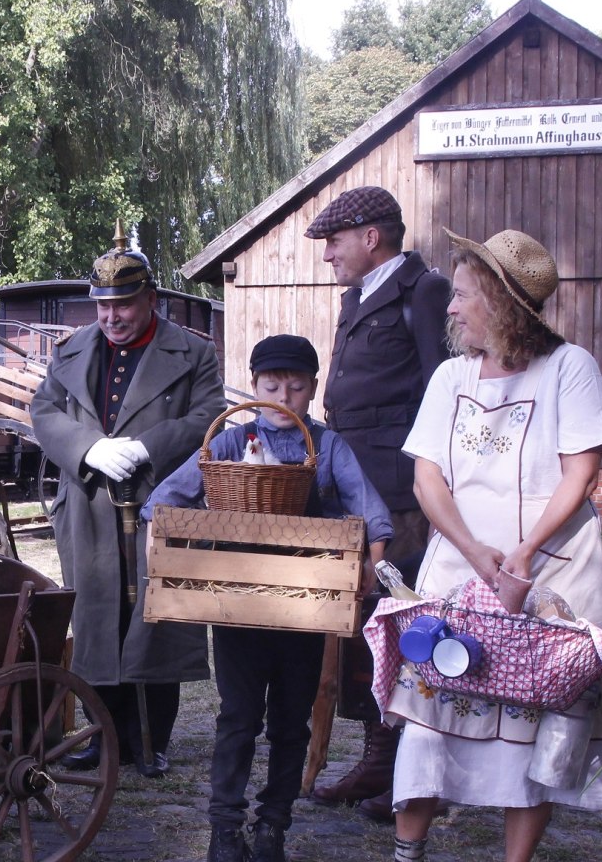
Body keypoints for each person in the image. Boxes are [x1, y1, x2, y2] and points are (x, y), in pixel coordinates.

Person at [385, 228, 602, 862]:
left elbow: (581, 470)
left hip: (548, 579)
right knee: (431, 722)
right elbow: (425, 475)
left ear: (502, 302)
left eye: (462, 296)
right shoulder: (451, 378)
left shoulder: (569, 368)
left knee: (534, 726)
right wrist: (473, 547)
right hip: (460, 574)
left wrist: (523, 552)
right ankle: (410, 851)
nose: (451, 308)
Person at [143, 334, 392, 862]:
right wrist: (163, 545)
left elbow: (368, 508)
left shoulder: (327, 447)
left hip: (306, 605)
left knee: (289, 720)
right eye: (271, 386)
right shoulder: (230, 444)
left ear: (313, 390)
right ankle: (223, 827)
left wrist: (371, 560)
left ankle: (273, 825)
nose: (284, 397)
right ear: (254, 388)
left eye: (296, 387)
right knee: (237, 716)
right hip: (239, 605)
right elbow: (165, 502)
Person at [30, 224, 224, 777]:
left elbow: (207, 418)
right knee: (97, 618)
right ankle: (100, 733)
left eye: (124, 305)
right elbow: (44, 413)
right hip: (89, 505)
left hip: (158, 501)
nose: (112, 317)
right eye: (103, 307)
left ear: (151, 300)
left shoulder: (193, 352)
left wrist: (146, 447)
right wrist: (88, 449)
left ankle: (150, 739)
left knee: (156, 619)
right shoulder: (71, 352)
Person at [302, 185, 452, 818]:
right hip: (354, 486)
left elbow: (439, 388)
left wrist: (429, 485)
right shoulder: (359, 294)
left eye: (335, 241)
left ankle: (415, 774)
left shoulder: (424, 290)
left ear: (371, 236)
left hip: (402, 494)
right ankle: (379, 756)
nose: (329, 254)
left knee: (406, 626)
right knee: (365, 626)